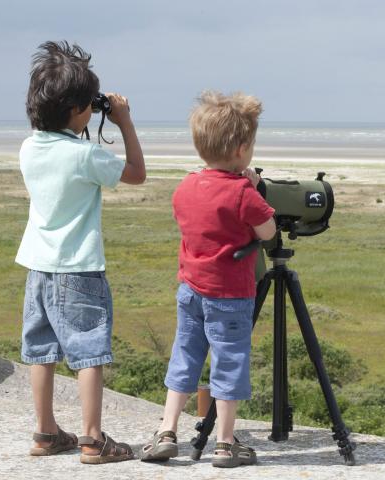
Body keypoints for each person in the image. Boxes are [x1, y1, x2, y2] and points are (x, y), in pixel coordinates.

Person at [16, 40, 145, 464]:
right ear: (76, 109)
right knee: (89, 350)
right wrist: (123, 121)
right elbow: (136, 175)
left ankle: (46, 431)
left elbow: (57, 131)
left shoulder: (29, 147)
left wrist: (84, 108)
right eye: (89, 104)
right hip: (79, 268)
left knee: (42, 350)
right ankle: (93, 438)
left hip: (38, 265)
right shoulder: (85, 155)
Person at [141, 91, 276, 468]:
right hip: (230, 296)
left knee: (184, 357)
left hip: (190, 290)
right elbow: (267, 232)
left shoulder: (185, 186)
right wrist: (249, 186)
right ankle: (225, 443)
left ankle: (166, 432)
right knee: (229, 362)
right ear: (241, 148)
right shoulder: (242, 192)